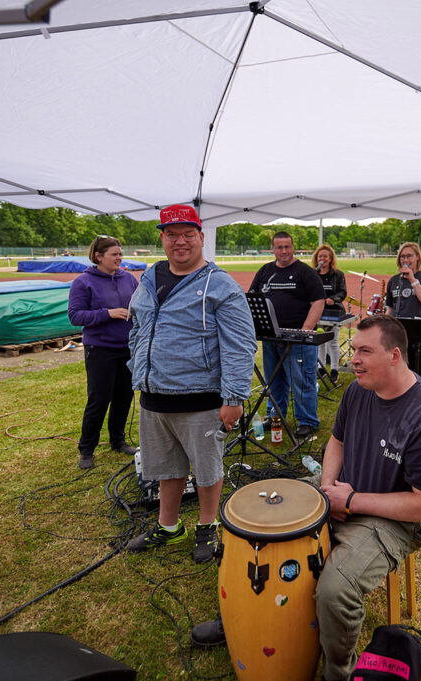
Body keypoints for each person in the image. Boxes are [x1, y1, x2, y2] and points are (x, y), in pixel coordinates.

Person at [191, 315, 421, 679]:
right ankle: (243, 620)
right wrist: (327, 490)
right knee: (259, 526)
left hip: (399, 520)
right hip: (344, 490)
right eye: (354, 349)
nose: (354, 359)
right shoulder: (358, 389)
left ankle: (336, 673)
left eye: (365, 351)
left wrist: (351, 502)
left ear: (395, 355)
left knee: (335, 591)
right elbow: (337, 441)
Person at [125, 205, 256, 563]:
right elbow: (137, 325)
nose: (179, 241)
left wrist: (234, 397)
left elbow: (240, 345)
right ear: (162, 238)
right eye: (171, 234)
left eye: (187, 234)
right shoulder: (150, 277)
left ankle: (207, 525)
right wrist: (136, 366)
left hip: (201, 399)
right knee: (166, 467)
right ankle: (168, 527)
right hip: (154, 396)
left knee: (207, 469)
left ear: (201, 237)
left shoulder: (221, 286)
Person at [67, 236, 140, 469]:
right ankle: (86, 450)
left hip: (127, 348)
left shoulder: (129, 278)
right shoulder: (83, 282)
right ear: (99, 256)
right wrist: (107, 314)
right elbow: (75, 316)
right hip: (99, 350)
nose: (119, 258)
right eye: (114, 254)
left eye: (120, 254)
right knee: (99, 399)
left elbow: (140, 305)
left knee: (124, 397)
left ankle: (117, 441)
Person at [248, 231, 325, 440]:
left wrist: (306, 329)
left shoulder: (305, 272)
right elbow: (252, 297)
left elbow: (318, 301)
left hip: (297, 338)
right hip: (272, 337)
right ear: (273, 249)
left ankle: (307, 420)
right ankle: (275, 416)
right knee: (274, 381)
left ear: (293, 248)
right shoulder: (265, 271)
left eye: (287, 247)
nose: (284, 251)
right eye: (279, 247)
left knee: (302, 381)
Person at [384, 242, 421, 377]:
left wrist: (413, 280)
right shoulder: (394, 281)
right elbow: (389, 308)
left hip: (419, 335)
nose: (405, 260)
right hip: (398, 334)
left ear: (417, 257)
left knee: (417, 374)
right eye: (402, 257)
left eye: (409, 256)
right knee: (397, 373)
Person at [312, 244, 346, 383]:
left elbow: (342, 292)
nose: (322, 258)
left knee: (333, 341)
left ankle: (334, 369)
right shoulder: (314, 274)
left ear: (331, 258)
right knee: (320, 340)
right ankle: (321, 368)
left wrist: (333, 299)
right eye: (320, 256)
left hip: (333, 311)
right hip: (317, 311)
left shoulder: (338, 274)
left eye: (325, 256)